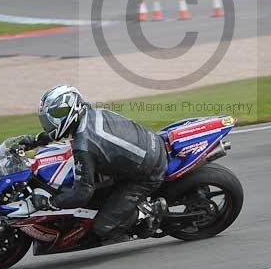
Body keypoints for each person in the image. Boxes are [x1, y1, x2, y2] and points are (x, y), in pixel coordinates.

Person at [9, 84, 167, 243]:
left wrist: (49, 202)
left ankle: (149, 213)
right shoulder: (87, 112)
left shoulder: (84, 146)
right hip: (147, 145)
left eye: (56, 115)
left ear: (71, 110)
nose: (50, 122)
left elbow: (82, 194)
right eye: (47, 118)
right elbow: (64, 129)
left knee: (102, 227)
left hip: (148, 172)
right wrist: (37, 140)